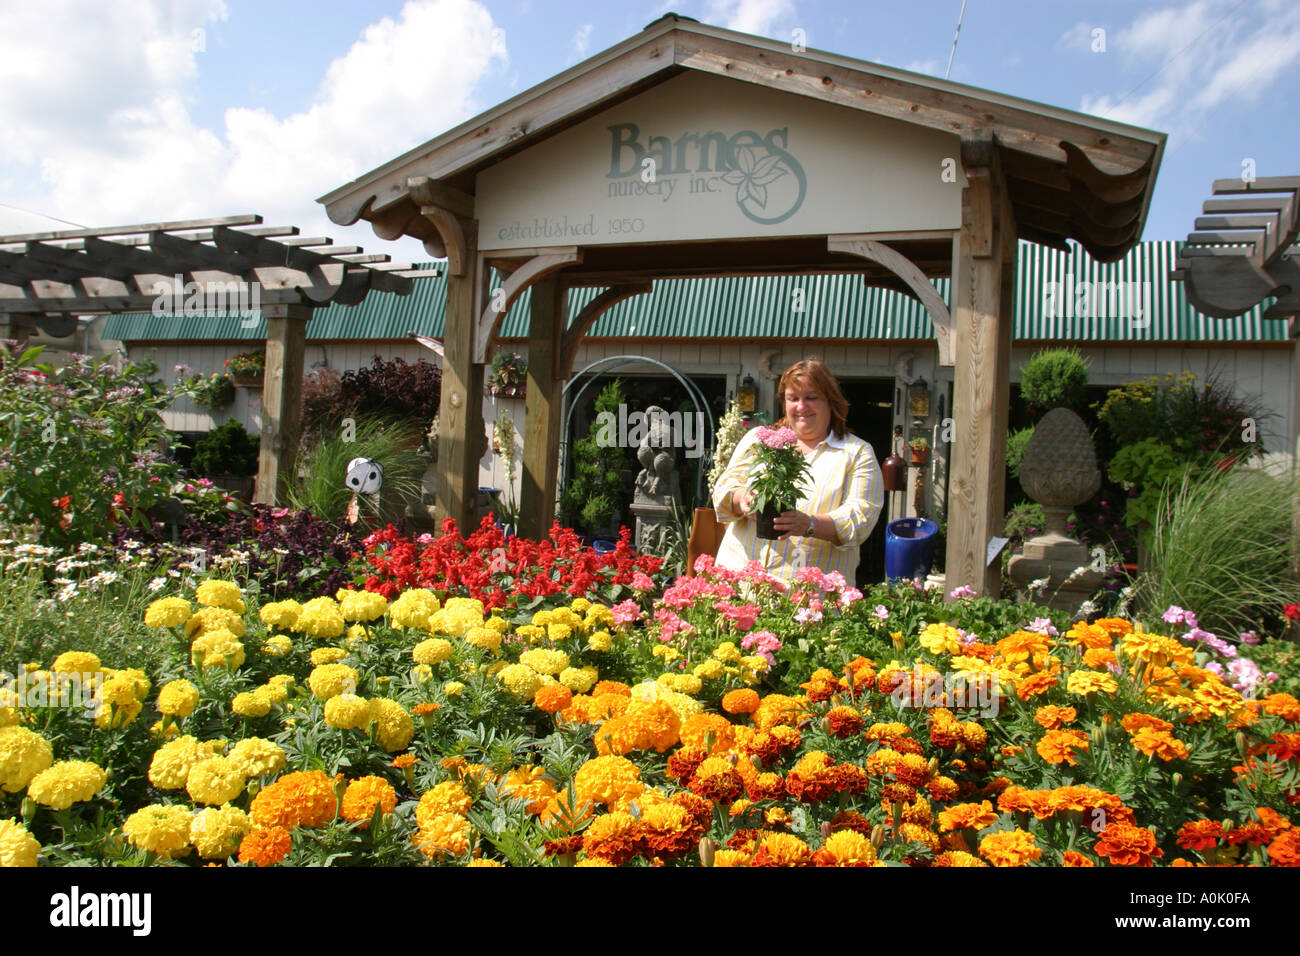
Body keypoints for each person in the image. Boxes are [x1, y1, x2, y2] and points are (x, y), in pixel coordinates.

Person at [712, 358, 884, 584]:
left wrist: (809, 524)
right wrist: (742, 499)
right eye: (793, 398)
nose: (801, 406)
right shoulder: (759, 440)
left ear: (831, 402)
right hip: (739, 586)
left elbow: (861, 517)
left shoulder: (855, 453)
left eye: (811, 397)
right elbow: (723, 490)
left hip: (806, 601)